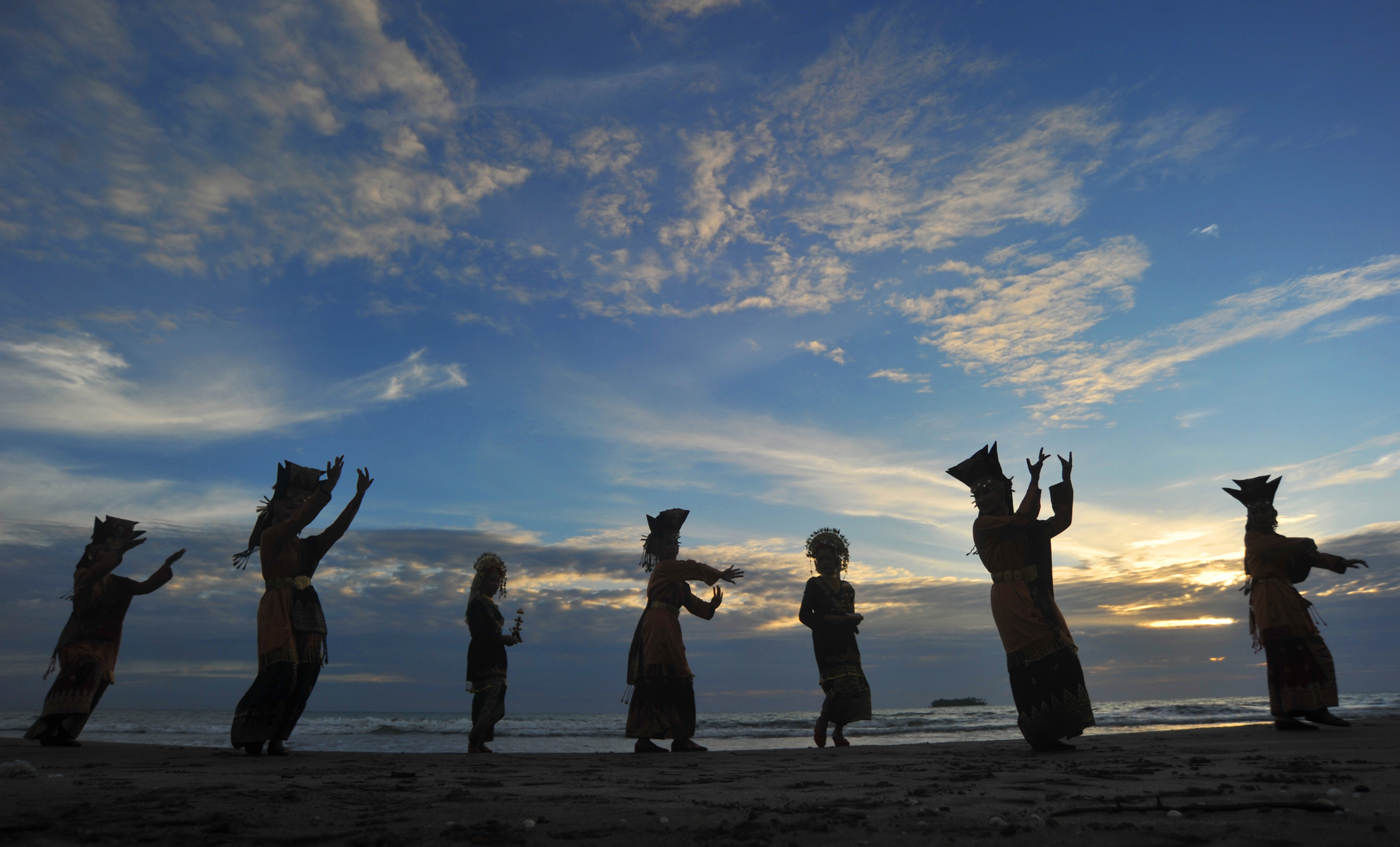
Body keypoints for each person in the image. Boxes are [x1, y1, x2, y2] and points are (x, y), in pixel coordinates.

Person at [947, 443, 1094, 752]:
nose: (984, 497)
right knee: (1029, 661)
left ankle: (1056, 730)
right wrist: (1035, 481)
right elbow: (1025, 516)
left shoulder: (1019, 527)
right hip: (1009, 599)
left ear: (1003, 492)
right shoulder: (985, 525)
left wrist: (1065, 481)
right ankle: (1038, 734)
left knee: (1059, 653)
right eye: (979, 494)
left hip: (1035, 594)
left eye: (989, 490)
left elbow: (1059, 523)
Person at [230, 456, 372, 756]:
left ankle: (278, 737)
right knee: (282, 671)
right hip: (277, 609)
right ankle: (251, 733)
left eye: (301, 499)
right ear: (274, 507)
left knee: (306, 674)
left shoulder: (307, 547)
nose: (295, 504)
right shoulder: (270, 538)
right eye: (289, 500)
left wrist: (358, 496)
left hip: (307, 609)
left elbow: (335, 531)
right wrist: (328, 489)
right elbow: (298, 521)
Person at [1224, 475, 1366, 731]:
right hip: (1271, 601)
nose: (1266, 517)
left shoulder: (1277, 541)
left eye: (1268, 512)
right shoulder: (1257, 540)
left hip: (1284, 598)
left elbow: (1302, 553)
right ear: (1253, 517)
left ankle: (1315, 708)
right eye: (1260, 513)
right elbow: (1295, 549)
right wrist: (1308, 546)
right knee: (1283, 652)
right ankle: (1285, 715)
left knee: (1308, 649)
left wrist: (1338, 562)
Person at [26, 516, 183, 746]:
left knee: (93, 685)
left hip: (104, 644)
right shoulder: (84, 577)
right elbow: (97, 571)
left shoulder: (119, 583)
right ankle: (50, 728)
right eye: (101, 551)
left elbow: (144, 587)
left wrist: (166, 566)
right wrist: (119, 551)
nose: (104, 554)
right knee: (79, 677)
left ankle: (64, 733)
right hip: (79, 640)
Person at [625, 508, 744, 753]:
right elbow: (692, 567)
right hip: (657, 627)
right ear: (657, 549)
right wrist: (719, 574)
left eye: (675, 543)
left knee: (677, 677)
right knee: (658, 676)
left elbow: (695, 607)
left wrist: (712, 606)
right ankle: (645, 739)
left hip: (669, 627)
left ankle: (679, 737)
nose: (673, 548)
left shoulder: (677, 581)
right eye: (668, 544)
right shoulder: (664, 570)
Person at [798, 527, 871, 748]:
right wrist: (828, 622)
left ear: (839, 561)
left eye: (829, 558)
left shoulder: (849, 589)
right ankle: (823, 721)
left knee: (855, 686)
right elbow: (804, 616)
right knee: (837, 685)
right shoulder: (813, 585)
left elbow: (848, 612)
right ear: (815, 562)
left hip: (848, 641)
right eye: (820, 559)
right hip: (826, 642)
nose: (824, 563)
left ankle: (838, 731)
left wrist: (852, 619)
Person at [465, 553, 521, 753]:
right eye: (492, 580)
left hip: (495, 655)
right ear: (482, 581)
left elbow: (491, 634)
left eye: (498, 581)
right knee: (488, 697)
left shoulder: (486, 603)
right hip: (484, 656)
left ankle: (479, 740)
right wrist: (503, 639)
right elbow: (482, 634)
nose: (496, 585)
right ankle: (475, 739)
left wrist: (505, 639)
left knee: (494, 697)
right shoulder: (477, 604)